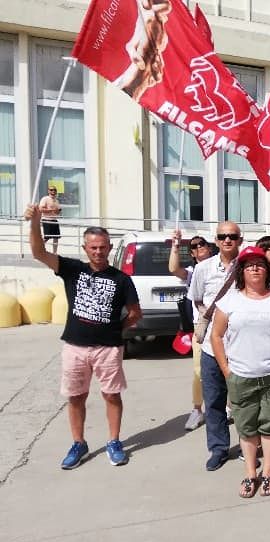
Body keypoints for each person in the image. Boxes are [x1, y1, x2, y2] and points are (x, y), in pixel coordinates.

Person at [24, 205, 141, 469]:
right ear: (85, 248)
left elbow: (135, 313)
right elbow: (38, 252)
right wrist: (35, 223)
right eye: (93, 247)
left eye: (103, 247)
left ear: (110, 248)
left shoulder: (122, 279)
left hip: (108, 348)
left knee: (112, 395)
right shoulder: (72, 269)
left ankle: (114, 441)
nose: (98, 251)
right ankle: (79, 443)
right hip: (75, 347)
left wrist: (116, 329)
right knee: (76, 397)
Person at [210, 246, 270, 498]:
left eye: (259, 264)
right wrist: (227, 370)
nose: (254, 268)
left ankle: (269, 470)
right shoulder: (229, 300)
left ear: (267, 269)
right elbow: (216, 336)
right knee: (247, 427)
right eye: (249, 264)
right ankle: (251, 472)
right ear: (241, 270)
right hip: (241, 375)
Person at [188, 221, 243, 471]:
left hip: (243, 347)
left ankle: (248, 444)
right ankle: (219, 448)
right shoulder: (203, 269)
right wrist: (211, 319)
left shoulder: (249, 267)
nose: (227, 240)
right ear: (217, 240)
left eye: (232, 236)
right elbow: (198, 298)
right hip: (213, 347)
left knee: (244, 401)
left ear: (240, 240)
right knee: (214, 401)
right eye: (223, 236)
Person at [169, 230, 213, 431]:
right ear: (192, 254)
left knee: (228, 368)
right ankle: (197, 409)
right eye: (193, 246)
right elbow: (173, 268)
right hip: (201, 327)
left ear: (209, 247)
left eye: (201, 243)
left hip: (224, 325)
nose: (198, 247)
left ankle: (229, 406)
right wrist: (175, 246)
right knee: (199, 371)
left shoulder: (221, 267)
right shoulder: (192, 273)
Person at [39, 186, 62, 253]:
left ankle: (55, 253)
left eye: (54, 190)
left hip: (54, 220)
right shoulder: (45, 199)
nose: (53, 191)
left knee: (56, 237)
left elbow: (58, 212)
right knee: (47, 237)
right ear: (48, 191)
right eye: (51, 190)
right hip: (46, 219)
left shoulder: (56, 200)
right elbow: (41, 209)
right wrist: (52, 210)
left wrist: (57, 211)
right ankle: (39, 251)